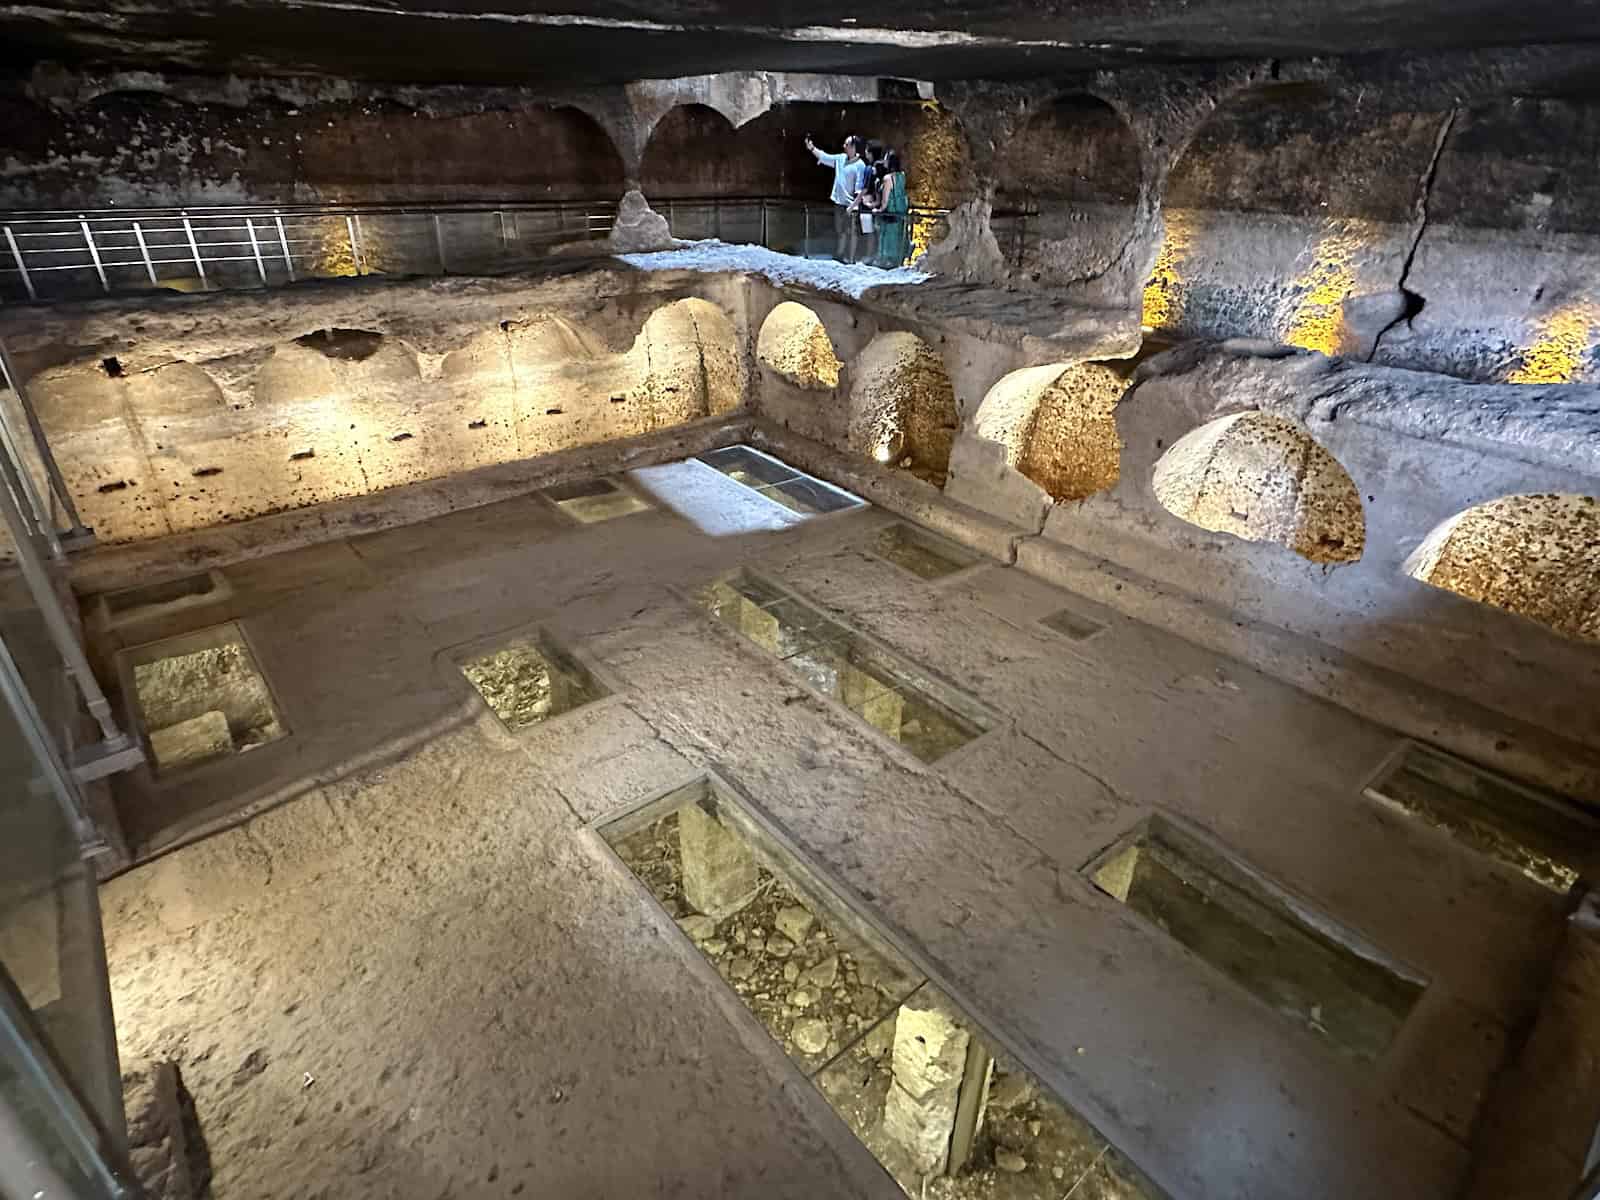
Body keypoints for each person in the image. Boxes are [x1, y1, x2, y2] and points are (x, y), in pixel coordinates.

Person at [804, 133, 869, 262]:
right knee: (841, 230)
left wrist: (853, 206)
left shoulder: (860, 165)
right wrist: (812, 148)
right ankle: (840, 254)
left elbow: (860, 189)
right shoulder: (841, 158)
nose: (843, 146)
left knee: (851, 231)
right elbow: (825, 157)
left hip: (851, 204)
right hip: (839, 202)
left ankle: (851, 258)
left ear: (853, 147)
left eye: (846, 144)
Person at [871, 150, 910, 268]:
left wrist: (879, 210)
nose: (884, 161)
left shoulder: (888, 178)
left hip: (890, 213)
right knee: (898, 238)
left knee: (888, 239)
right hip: (900, 213)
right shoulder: (902, 175)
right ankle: (897, 261)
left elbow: (885, 200)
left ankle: (886, 262)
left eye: (886, 159)